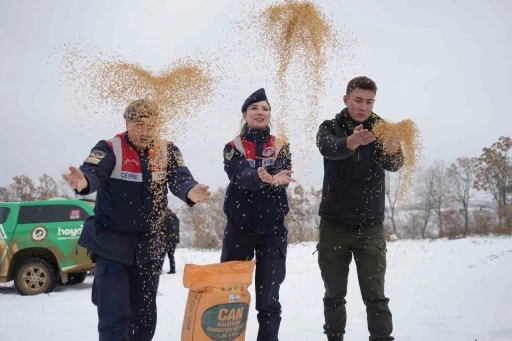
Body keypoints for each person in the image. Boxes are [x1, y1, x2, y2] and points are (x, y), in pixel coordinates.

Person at [62, 99, 210, 341]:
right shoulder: (110, 148)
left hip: (148, 248)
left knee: (144, 320)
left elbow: (181, 179)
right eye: (138, 123)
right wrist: (84, 182)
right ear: (127, 123)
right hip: (111, 245)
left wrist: (191, 191)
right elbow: (94, 172)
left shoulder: (167, 150)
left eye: (150, 124)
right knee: (115, 318)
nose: (144, 130)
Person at [315, 76, 404, 341]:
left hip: (370, 226)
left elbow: (395, 164)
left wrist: (392, 151)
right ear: (346, 99)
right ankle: (334, 337)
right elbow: (328, 148)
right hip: (334, 225)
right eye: (358, 100)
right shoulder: (330, 126)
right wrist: (351, 142)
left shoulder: (383, 128)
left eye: (369, 101)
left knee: (375, 295)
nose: (363, 107)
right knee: (334, 294)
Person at [220, 88, 295, 341]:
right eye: (254, 108)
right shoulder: (233, 146)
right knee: (229, 296)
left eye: (265, 108)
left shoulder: (281, 145)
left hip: (272, 232)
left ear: (270, 114)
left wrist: (276, 178)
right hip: (239, 230)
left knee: (269, 300)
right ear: (245, 114)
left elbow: (283, 174)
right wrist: (261, 178)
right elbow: (239, 174)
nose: (260, 112)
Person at [159, 207, 180, 274]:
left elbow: (163, 227)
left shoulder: (167, 217)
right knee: (171, 255)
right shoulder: (176, 219)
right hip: (175, 239)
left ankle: (159, 270)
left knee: (162, 255)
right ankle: (173, 269)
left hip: (168, 239)